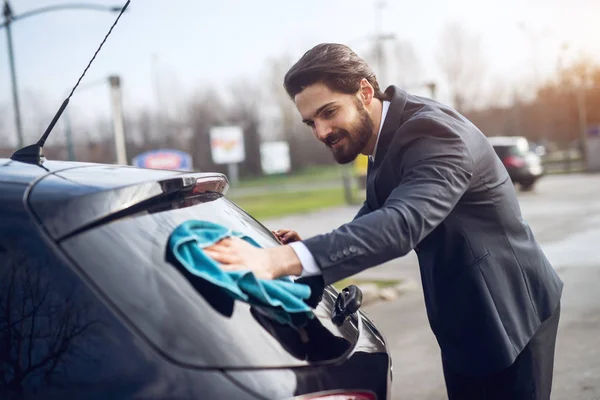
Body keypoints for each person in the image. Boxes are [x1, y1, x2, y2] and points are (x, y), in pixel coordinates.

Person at [204, 43, 563, 399]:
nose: (321, 132)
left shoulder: (434, 134)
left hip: (511, 313)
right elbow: (377, 211)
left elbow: (402, 222)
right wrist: (306, 252)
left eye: (329, 112)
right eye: (311, 122)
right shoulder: (382, 133)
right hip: (466, 320)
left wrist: (278, 260)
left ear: (363, 91)